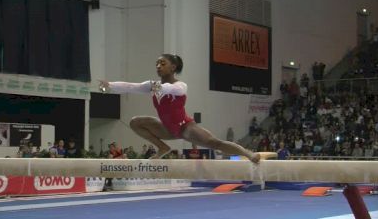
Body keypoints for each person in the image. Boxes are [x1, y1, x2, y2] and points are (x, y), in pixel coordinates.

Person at [99, 54, 275, 163]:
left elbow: (171, 89)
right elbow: (131, 86)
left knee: (216, 144)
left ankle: (247, 153)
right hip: (166, 128)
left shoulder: (180, 85)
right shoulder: (152, 85)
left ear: (173, 67)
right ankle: (162, 148)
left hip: (185, 127)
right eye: (157, 63)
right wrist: (110, 86)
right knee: (135, 122)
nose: (158, 66)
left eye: (162, 63)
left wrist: (157, 88)